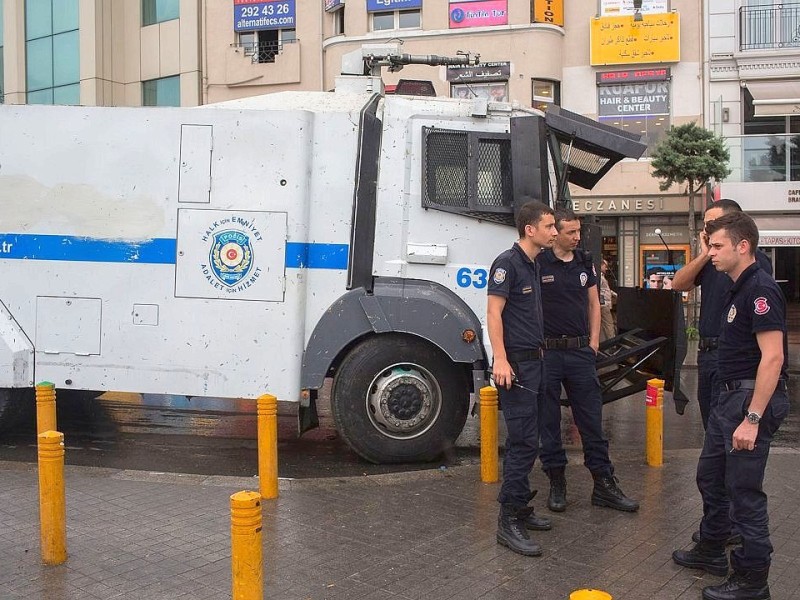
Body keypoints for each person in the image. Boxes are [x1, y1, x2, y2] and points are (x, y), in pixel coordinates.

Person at [672, 211, 789, 600]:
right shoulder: (736, 287)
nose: (712, 252)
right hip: (727, 397)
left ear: (743, 246)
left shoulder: (760, 289)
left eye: (718, 246)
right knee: (710, 477)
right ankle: (711, 550)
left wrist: (752, 419)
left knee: (744, 493)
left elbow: (772, 358)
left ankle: (753, 580)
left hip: (746, 399)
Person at [536, 208, 639, 514]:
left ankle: (604, 484)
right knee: (548, 423)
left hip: (580, 353)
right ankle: (557, 482)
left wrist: (594, 343)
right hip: (548, 354)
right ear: (555, 232)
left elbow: (595, 304)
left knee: (591, 422)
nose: (577, 237)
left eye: (579, 231)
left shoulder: (585, 263)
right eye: (571, 232)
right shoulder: (539, 263)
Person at [487, 201, 557, 557]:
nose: (555, 232)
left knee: (530, 439)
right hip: (515, 367)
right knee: (524, 442)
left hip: (536, 363)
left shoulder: (533, 263)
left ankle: (520, 506)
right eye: (549, 226)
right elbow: (493, 313)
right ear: (530, 230)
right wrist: (500, 358)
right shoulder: (508, 263)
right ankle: (508, 519)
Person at [671, 199, 773, 430]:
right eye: (705, 225)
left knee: (729, 425)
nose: (707, 231)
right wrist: (706, 254)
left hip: (733, 351)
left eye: (712, 224)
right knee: (712, 426)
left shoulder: (753, 263)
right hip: (707, 353)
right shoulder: (711, 260)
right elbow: (678, 284)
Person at [599, 258, 617, 341]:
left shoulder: (601, 277)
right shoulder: (599, 277)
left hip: (604, 303)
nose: (606, 268)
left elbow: (606, 289)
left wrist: (615, 294)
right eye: (605, 266)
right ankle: (612, 343)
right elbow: (599, 290)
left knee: (604, 324)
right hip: (604, 304)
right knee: (609, 324)